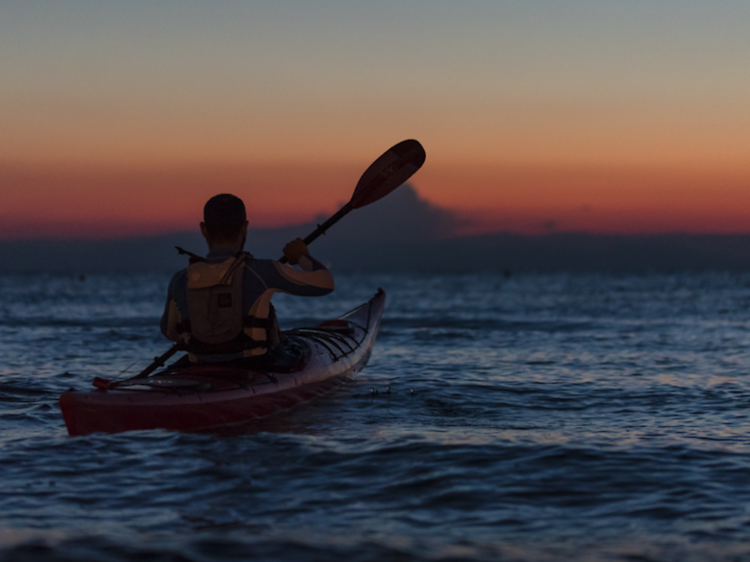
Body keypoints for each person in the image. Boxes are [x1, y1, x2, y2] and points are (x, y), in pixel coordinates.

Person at [160, 193, 334, 366]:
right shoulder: (263, 271)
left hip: (200, 366)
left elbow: (170, 333)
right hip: (254, 365)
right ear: (244, 228)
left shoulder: (180, 279)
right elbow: (325, 284)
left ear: (204, 230)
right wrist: (301, 256)